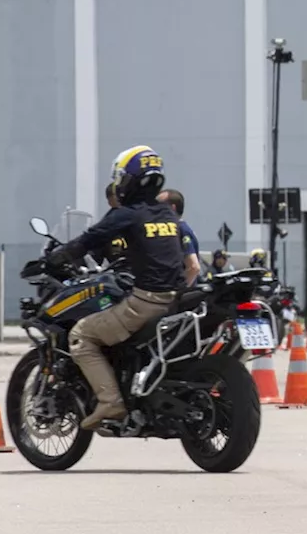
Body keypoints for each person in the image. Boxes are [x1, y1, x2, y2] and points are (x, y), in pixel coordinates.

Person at [46, 146, 186, 430]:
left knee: (81, 335)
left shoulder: (127, 214)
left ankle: (110, 401)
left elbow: (89, 238)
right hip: (176, 301)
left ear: (129, 180)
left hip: (146, 302)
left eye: (121, 178)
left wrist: (57, 256)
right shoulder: (166, 215)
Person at [157, 188, 201, 285]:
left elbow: (194, 267)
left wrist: (179, 291)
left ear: (172, 208)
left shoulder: (181, 230)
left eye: (159, 206)